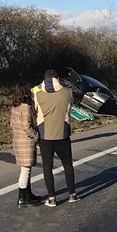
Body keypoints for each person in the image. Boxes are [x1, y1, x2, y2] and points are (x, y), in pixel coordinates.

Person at [34, 69, 80, 207]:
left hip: (45, 136)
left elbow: (35, 110)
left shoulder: (37, 94)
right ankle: (72, 194)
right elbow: (70, 105)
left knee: (47, 168)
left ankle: (52, 198)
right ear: (58, 78)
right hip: (63, 134)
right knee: (67, 165)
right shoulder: (67, 92)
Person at [10, 82, 42, 206]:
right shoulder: (25, 107)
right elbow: (27, 126)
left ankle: (28, 194)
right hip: (26, 140)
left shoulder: (15, 106)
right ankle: (22, 197)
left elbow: (12, 124)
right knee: (25, 170)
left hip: (17, 138)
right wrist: (36, 135)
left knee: (26, 169)